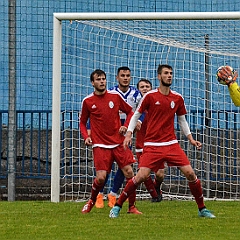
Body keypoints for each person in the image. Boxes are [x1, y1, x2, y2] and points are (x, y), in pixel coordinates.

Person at [109, 64, 216, 218]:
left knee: (190, 174)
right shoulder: (150, 96)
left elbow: (182, 120)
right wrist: (129, 133)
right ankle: (118, 206)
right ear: (159, 76)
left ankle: (202, 209)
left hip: (171, 144)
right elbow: (136, 115)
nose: (169, 76)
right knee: (140, 177)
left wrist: (191, 138)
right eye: (166, 73)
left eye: (171, 73)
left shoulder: (177, 98)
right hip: (152, 145)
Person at [80, 69, 141, 214]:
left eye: (103, 79)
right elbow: (82, 122)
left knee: (129, 173)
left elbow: (130, 112)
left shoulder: (115, 97)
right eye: (99, 79)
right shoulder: (88, 101)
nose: (102, 81)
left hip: (119, 142)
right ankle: (91, 202)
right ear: (92, 82)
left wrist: (125, 126)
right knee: (101, 178)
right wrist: (86, 136)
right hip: (100, 144)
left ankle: (131, 207)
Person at [95, 66, 143, 208]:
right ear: (117, 78)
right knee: (106, 165)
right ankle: (99, 194)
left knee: (126, 165)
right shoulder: (110, 93)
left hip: (127, 130)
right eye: (122, 75)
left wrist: (137, 122)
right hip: (110, 131)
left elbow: (143, 110)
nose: (125, 78)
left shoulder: (136, 94)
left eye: (128, 75)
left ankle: (114, 193)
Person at [136, 79, 164, 202]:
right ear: (138, 90)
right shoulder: (136, 107)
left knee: (160, 174)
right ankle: (154, 195)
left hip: (156, 144)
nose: (145, 88)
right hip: (141, 144)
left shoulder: (157, 104)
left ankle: (156, 188)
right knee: (144, 174)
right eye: (142, 86)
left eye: (147, 86)